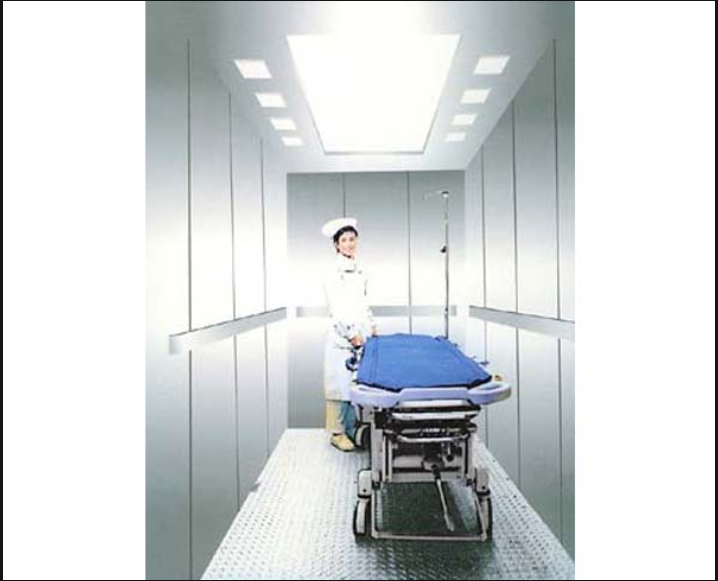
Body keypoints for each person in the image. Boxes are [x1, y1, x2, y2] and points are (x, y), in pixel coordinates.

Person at [321, 217, 378, 452]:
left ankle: (352, 428)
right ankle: (336, 433)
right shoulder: (332, 272)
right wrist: (351, 334)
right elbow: (337, 310)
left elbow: (363, 303)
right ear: (336, 244)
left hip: (360, 336)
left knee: (353, 386)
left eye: (352, 239)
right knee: (338, 387)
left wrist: (372, 326)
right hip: (342, 337)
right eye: (343, 240)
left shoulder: (360, 270)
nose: (348, 244)